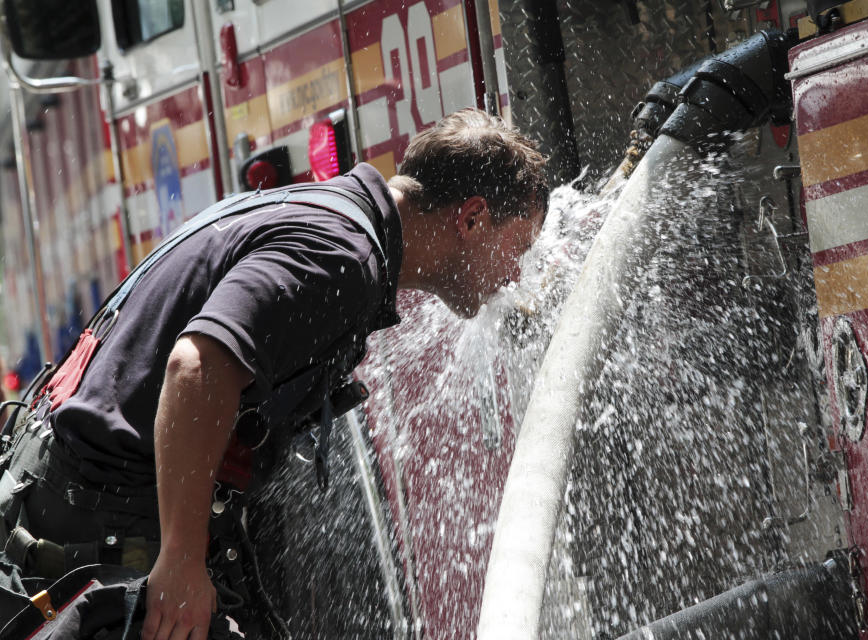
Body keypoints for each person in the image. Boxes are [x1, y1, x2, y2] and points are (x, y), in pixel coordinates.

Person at [0, 108, 548, 639]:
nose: (517, 272)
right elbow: (196, 367)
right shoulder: (341, 256)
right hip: (95, 522)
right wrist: (181, 563)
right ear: (473, 218)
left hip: (68, 501)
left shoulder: (329, 214)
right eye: (520, 246)